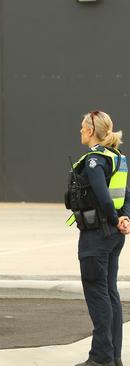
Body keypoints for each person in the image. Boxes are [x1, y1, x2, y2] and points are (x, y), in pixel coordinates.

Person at [66, 110, 130, 366]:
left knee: (98, 295)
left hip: (97, 236)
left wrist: (115, 219)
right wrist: (124, 218)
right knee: (110, 294)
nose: (80, 131)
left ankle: (101, 357)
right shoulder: (117, 158)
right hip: (114, 235)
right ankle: (113, 357)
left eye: (83, 127)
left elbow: (103, 197)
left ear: (91, 131)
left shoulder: (94, 160)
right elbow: (125, 193)